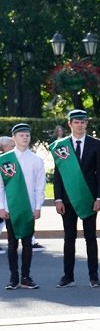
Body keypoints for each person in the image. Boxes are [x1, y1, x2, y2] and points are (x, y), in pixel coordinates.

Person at [52, 109, 100, 288]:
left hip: (89, 198)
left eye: (83, 122)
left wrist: (99, 197)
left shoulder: (95, 144)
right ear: (70, 124)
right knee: (69, 238)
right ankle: (68, 276)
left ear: (86, 124)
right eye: (76, 122)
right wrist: (57, 199)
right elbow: (58, 175)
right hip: (67, 200)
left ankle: (94, 276)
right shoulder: (61, 145)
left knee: (91, 238)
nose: (80, 125)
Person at [1, 123, 46, 289]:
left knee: (27, 243)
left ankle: (26, 277)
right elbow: (0, 186)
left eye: (27, 135)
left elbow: (40, 186)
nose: (25, 138)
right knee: (12, 244)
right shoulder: (4, 160)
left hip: (28, 208)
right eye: (21, 135)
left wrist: (38, 207)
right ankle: (13, 278)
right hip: (10, 207)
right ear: (14, 138)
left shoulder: (36, 160)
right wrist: (1, 206)